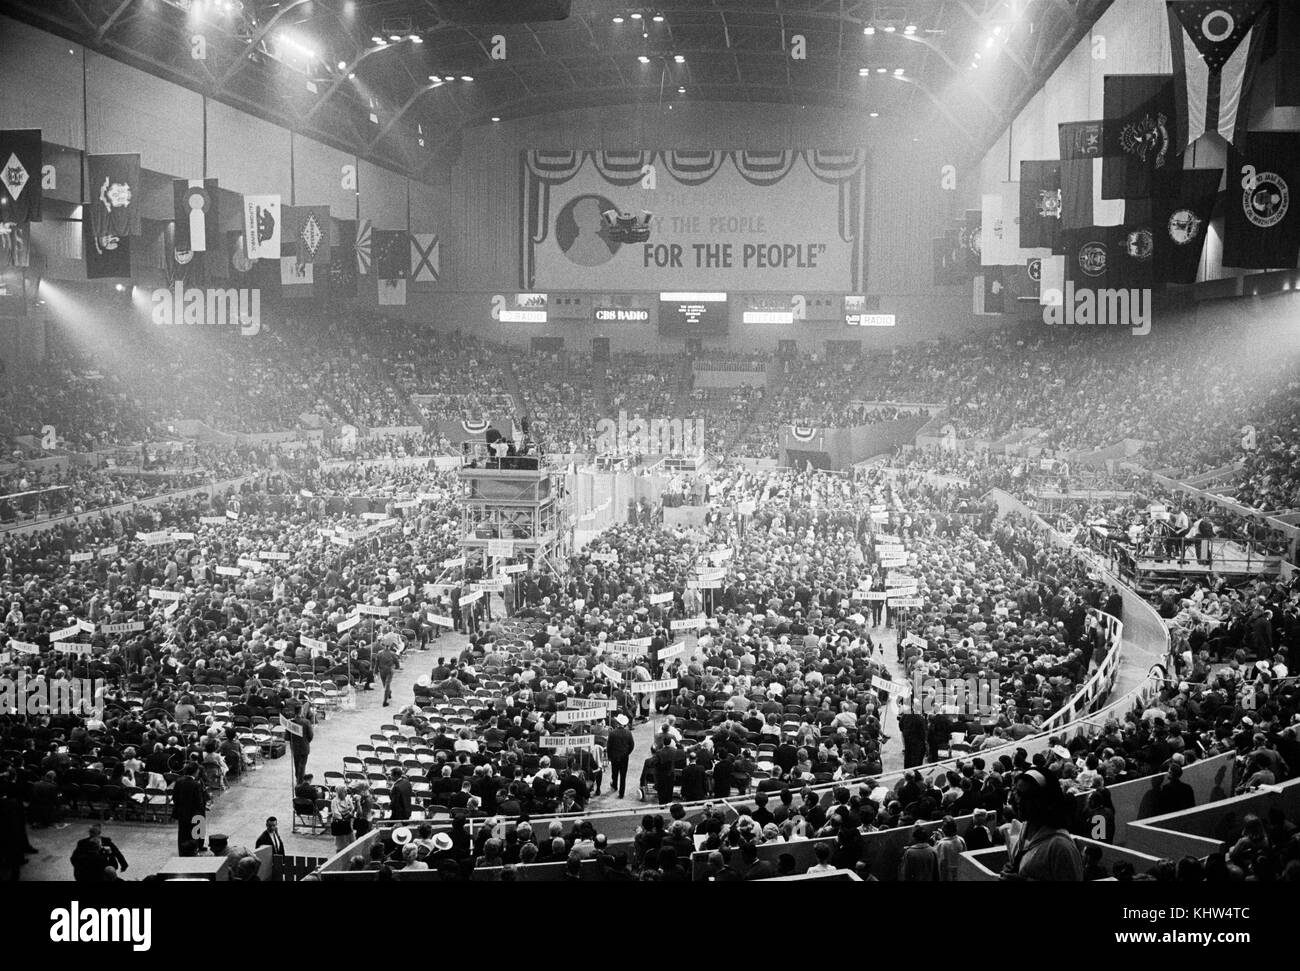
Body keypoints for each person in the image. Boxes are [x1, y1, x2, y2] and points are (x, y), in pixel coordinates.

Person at [1001, 769, 1084, 881]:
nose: (1019, 801)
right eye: (1018, 793)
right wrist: (1014, 868)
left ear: (1044, 800)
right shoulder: (1025, 827)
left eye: (1027, 796)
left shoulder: (1061, 847)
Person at [171, 763, 207, 856]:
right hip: (194, 813)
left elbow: (175, 797)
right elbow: (199, 801)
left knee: (182, 832)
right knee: (196, 831)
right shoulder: (196, 784)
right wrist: (202, 811)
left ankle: (182, 850)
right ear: (196, 772)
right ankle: (197, 847)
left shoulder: (178, 781)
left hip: (181, 812)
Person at [606, 715, 635, 799]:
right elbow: (632, 745)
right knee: (623, 775)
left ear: (618, 723)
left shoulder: (612, 733)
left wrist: (609, 756)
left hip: (614, 757)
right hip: (624, 757)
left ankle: (614, 785)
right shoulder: (628, 733)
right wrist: (627, 753)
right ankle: (621, 793)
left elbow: (609, 746)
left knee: (614, 773)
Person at [934, 816, 967, 881]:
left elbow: (939, 863)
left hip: (947, 876)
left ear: (944, 829)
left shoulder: (942, 844)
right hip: (960, 873)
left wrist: (937, 842)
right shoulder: (961, 839)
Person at [288, 706, 314, 783]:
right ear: (301, 711)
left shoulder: (290, 723)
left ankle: (298, 778)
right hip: (304, 746)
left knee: (296, 764)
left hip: (295, 747)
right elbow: (311, 735)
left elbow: (287, 737)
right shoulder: (306, 722)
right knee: (302, 765)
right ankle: (300, 782)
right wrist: (306, 741)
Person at [375, 641, 400, 707]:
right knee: (386, 685)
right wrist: (397, 667)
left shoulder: (379, 653)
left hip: (382, 671)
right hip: (389, 671)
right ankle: (387, 695)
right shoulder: (392, 654)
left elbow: (376, 663)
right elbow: (396, 661)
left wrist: (375, 672)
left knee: (385, 685)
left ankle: (385, 700)